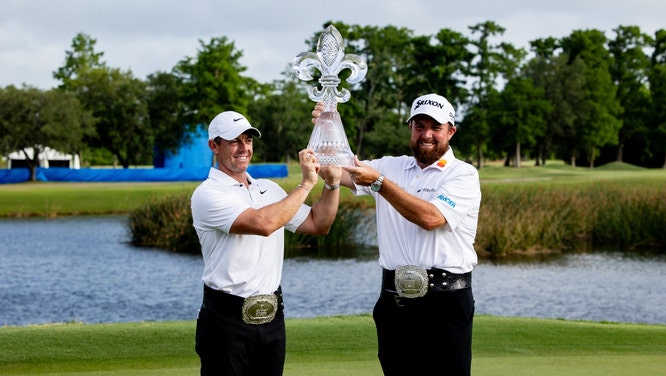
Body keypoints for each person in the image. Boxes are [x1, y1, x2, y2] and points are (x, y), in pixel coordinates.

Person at [313, 93, 481, 375]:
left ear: (451, 131)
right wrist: (326, 127)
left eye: (435, 127)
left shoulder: (462, 174)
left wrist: (379, 183)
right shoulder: (391, 165)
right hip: (394, 302)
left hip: (445, 304)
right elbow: (333, 169)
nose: (426, 135)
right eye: (419, 126)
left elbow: (431, 218)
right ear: (411, 128)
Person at [190, 110, 342, 376]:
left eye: (247, 140)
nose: (243, 148)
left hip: (272, 319)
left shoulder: (269, 189)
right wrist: (306, 184)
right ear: (214, 145)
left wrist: (332, 183)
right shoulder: (207, 193)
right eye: (234, 141)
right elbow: (262, 224)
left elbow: (319, 224)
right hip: (226, 322)